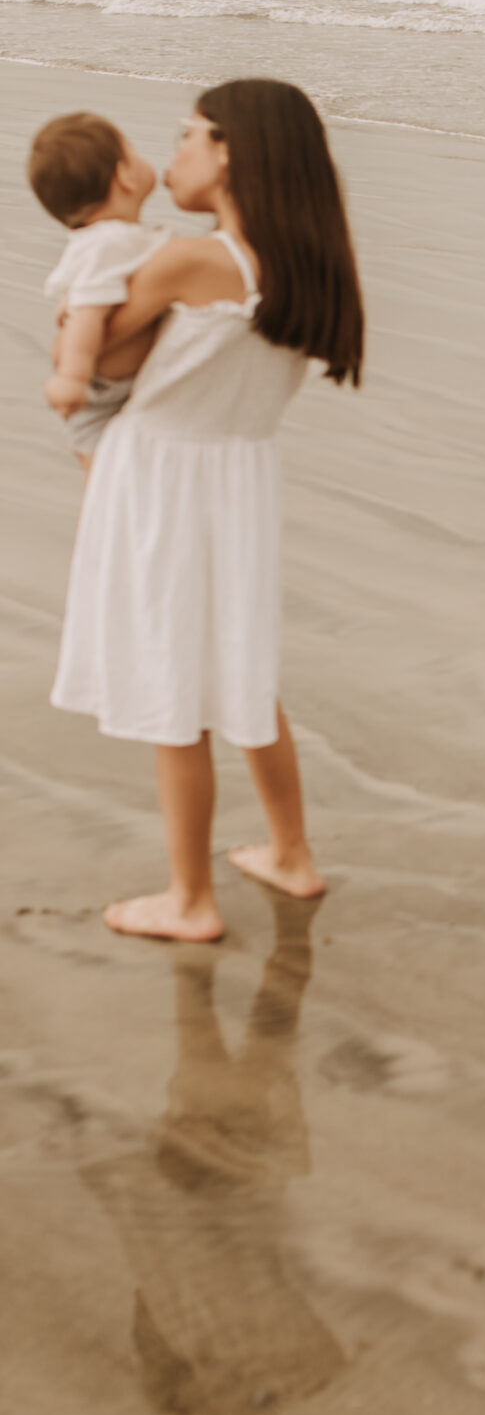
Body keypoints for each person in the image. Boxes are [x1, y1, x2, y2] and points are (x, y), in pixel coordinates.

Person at [52, 78, 365, 943]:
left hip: (161, 480)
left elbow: (98, 354)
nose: (177, 151)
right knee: (242, 671)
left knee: (173, 687)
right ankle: (290, 854)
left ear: (231, 152)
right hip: (239, 477)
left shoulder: (190, 262)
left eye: (191, 135)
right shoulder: (301, 266)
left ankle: (189, 899)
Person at [28, 110, 167, 469]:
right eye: (132, 152)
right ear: (124, 176)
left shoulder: (114, 241)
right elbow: (87, 313)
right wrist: (72, 376)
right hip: (99, 397)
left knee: (109, 494)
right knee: (103, 492)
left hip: (116, 391)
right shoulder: (108, 244)